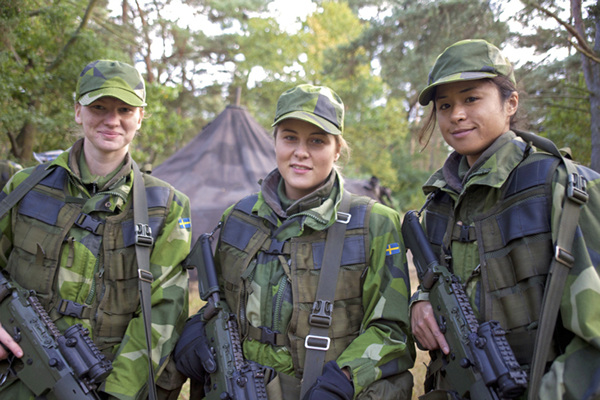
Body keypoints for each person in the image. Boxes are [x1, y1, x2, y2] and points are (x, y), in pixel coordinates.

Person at [174, 84, 415, 399]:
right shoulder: (239, 216)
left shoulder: (373, 223)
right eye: (290, 138)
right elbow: (220, 304)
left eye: (317, 141)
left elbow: (392, 330)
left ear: (337, 149)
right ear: (274, 141)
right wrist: (197, 329)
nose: (301, 152)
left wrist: (345, 378)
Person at [410, 39, 600, 399]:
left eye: (471, 99)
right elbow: (441, 279)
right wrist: (419, 301)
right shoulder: (439, 201)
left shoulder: (563, 187)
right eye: (445, 105)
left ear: (510, 103)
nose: (456, 115)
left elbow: (595, 339)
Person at [0, 60, 192, 399]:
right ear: (78, 111)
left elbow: (165, 309)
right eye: (99, 107)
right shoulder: (25, 187)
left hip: (101, 385)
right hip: (15, 378)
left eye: (125, 109)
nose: (112, 120)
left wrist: (118, 392)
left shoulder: (165, 206)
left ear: (140, 117)